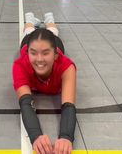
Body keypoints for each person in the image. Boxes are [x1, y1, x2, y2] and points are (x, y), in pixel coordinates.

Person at [13, 12, 76, 154]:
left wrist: (66, 136)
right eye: (33, 53)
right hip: (29, 40)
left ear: (55, 55)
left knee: (52, 31)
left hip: (54, 42)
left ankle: (49, 18)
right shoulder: (20, 66)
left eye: (46, 53)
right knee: (29, 31)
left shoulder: (66, 67)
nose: (39, 59)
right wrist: (36, 136)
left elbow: (68, 105)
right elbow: (25, 103)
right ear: (28, 52)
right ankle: (30, 19)